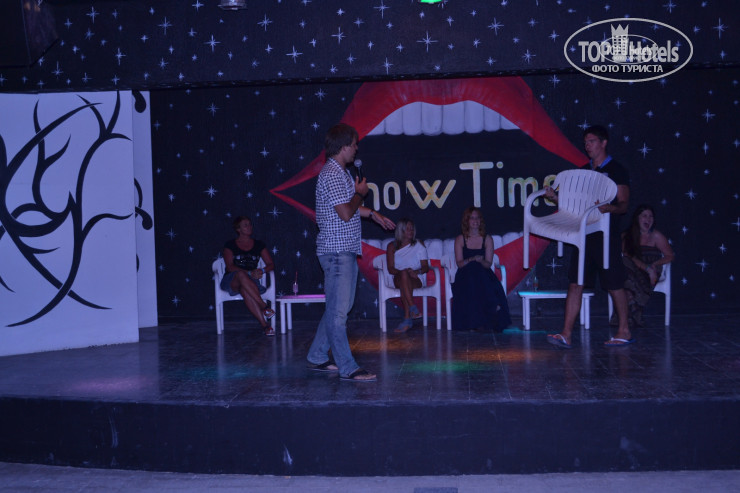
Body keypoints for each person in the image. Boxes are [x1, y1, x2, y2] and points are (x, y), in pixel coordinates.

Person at [307, 123, 395, 382]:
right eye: (355, 144)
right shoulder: (333, 174)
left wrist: (373, 214)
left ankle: (317, 355)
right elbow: (346, 212)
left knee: (337, 308)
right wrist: (360, 194)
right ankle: (348, 367)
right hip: (337, 252)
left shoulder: (340, 172)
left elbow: (348, 208)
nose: (357, 149)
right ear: (344, 146)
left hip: (342, 249)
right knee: (338, 313)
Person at [545, 125, 632, 348]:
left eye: (591, 141)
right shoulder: (583, 171)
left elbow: (623, 205)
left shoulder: (616, 170)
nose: (587, 146)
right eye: (585, 142)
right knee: (575, 283)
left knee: (613, 283)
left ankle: (624, 330)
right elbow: (572, 205)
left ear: (604, 143)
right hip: (584, 235)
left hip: (606, 234)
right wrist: (555, 198)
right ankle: (566, 334)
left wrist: (609, 208)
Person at [451, 206, 511, 332]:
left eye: (477, 218)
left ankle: (484, 317)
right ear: (467, 221)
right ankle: (492, 305)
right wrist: (472, 259)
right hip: (465, 275)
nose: (475, 221)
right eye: (472, 218)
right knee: (473, 272)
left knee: (479, 273)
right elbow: (460, 264)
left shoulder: (487, 239)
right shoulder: (460, 239)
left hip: (483, 272)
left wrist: (480, 260)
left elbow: (488, 264)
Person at [618, 204, 675, 327]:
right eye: (644, 216)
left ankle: (626, 317)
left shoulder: (656, 236)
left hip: (652, 271)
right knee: (625, 265)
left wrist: (653, 265)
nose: (648, 219)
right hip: (634, 268)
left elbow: (670, 256)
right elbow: (628, 256)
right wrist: (646, 268)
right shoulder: (626, 236)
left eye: (650, 216)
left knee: (628, 283)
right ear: (637, 218)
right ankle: (634, 312)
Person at [221, 216, 276, 336]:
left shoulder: (258, 244)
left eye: (250, 224)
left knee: (244, 289)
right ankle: (264, 306)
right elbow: (230, 267)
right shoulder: (230, 245)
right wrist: (249, 272)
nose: (249, 227)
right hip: (232, 280)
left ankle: (265, 326)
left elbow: (271, 264)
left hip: (250, 282)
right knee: (241, 274)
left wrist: (262, 270)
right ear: (238, 229)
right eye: (245, 225)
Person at [385, 218, 430, 333]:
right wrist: (402, 272)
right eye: (407, 229)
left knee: (405, 281)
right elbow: (390, 269)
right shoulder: (392, 246)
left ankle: (407, 317)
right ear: (401, 230)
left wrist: (416, 272)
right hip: (398, 277)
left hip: (415, 278)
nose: (411, 231)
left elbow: (425, 267)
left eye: (412, 229)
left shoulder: (419, 244)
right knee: (404, 276)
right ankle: (412, 308)